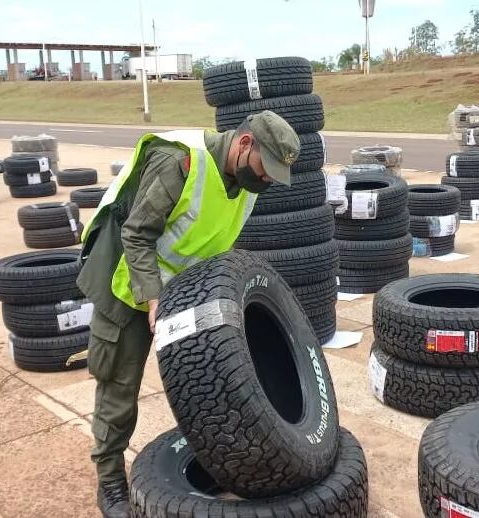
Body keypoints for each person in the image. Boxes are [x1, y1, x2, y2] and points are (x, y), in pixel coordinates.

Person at [77, 111, 300, 518]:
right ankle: (109, 480)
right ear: (245, 144)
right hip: (127, 282)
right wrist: (153, 298)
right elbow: (136, 233)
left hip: (184, 289)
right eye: (264, 169)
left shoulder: (248, 181)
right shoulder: (180, 161)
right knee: (119, 385)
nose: (265, 179)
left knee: (211, 375)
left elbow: (214, 240)